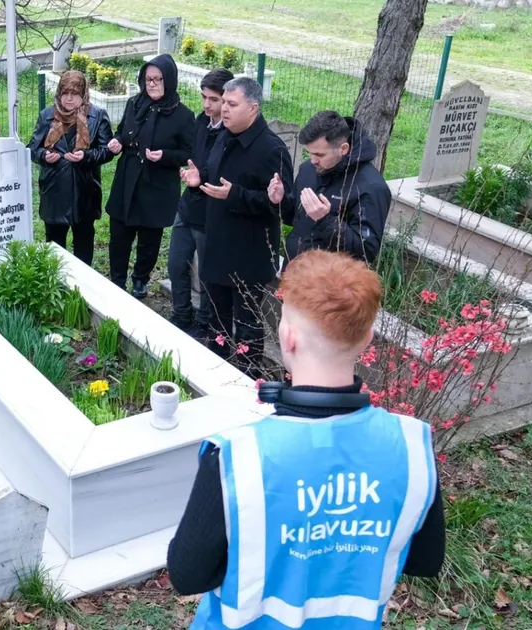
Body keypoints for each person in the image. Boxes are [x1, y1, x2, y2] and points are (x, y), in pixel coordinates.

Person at [167, 249, 445, 629]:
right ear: (366, 339)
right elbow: (425, 561)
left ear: (288, 336)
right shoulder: (412, 445)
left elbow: (187, 576)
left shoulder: (237, 456)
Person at [180, 77, 294, 375]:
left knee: (246, 322)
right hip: (217, 242)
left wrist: (237, 195)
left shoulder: (272, 149)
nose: (224, 110)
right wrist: (197, 182)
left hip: (248, 253)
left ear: (253, 108)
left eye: (232, 104)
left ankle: (246, 376)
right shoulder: (224, 136)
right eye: (225, 103)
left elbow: (282, 204)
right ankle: (217, 370)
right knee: (217, 317)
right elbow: (213, 178)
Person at [105, 55, 194, 298]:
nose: (152, 84)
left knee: (149, 238)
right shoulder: (134, 103)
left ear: (170, 80)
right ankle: (118, 280)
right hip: (128, 176)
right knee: (119, 234)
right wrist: (117, 141)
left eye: (158, 79)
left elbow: (188, 153)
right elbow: (123, 131)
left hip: (158, 183)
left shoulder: (183, 115)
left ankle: (140, 279)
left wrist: (164, 155)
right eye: (148, 79)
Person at [275, 110, 390, 266]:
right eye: (310, 153)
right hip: (294, 273)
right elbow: (295, 219)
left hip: (331, 282)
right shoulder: (308, 169)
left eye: (319, 154)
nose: (313, 160)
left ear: (343, 149)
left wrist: (326, 220)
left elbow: (366, 251)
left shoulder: (371, 187)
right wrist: (279, 200)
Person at [167, 68, 233, 338]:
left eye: (213, 99)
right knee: (176, 263)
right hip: (188, 206)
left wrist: (200, 177)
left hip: (210, 211)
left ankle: (204, 321)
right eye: (204, 97)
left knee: (207, 271)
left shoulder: (230, 133)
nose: (207, 104)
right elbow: (193, 156)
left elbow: (223, 174)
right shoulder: (200, 122)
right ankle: (181, 313)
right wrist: (189, 172)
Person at [28, 69, 114, 266]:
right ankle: (56, 283)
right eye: (65, 93)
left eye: (74, 94)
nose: (69, 99)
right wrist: (44, 156)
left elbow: (107, 150)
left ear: (83, 94)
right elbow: (32, 148)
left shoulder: (97, 115)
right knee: (54, 246)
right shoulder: (47, 116)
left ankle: (83, 285)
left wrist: (86, 156)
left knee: (84, 242)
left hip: (85, 189)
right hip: (54, 189)